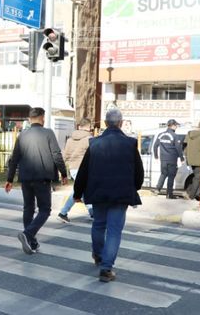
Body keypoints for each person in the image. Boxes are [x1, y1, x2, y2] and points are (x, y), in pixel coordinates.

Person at [74, 109, 143, 283]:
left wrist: (77, 193)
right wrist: (134, 187)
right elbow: (139, 171)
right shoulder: (130, 143)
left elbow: (83, 171)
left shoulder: (94, 143)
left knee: (98, 225)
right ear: (121, 123)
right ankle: (106, 269)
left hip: (98, 192)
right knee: (114, 230)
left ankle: (98, 255)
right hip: (121, 194)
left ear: (105, 123)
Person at [5, 107, 68, 254]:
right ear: (42, 118)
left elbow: (14, 159)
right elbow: (57, 155)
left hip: (25, 178)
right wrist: (63, 173)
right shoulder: (48, 133)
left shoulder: (22, 135)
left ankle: (31, 242)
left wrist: (9, 179)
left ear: (29, 119)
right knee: (45, 210)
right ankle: (28, 235)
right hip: (42, 178)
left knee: (28, 208)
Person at [57, 118, 94, 223]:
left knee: (81, 190)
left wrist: (61, 170)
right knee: (79, 191)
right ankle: (63, 213)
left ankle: (92, 212)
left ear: (79, 126)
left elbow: (65, 155)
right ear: (89, 127)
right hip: (85, 169)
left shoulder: (70, 139)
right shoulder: (89, 139)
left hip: (73, 168)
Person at [154, 119, 185, 199]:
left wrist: (156, 156)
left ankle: (157, 189)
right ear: (173, 125)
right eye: (176, 125)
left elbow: (155, 146)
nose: (177, 127)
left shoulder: (160, 134)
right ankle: (169, 194)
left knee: (163, 174)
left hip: (163, 159)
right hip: (172, 159)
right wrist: (182, 158)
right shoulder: (174, 136)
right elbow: (178, 148)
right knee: (171, 176)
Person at [184, 120, 200, 201]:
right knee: (198, 177)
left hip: (192, 160)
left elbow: (185, 147)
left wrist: (187, 158)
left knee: (197, 177)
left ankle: (189, 192)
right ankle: (190, 195)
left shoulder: (190, 134)